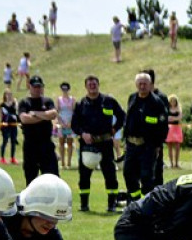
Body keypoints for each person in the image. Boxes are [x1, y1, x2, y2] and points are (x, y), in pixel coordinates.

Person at [72, 74, 126, 212]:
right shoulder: (81, 104)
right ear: (85, 86)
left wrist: (116, 128)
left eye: (94, 84)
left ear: (98, 85)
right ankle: (84, 205)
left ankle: (112, 205)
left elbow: (122, 116)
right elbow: (74, 124)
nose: (92, 86)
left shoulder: (108, 101)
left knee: (110, 175)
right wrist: (82, 133)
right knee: (84, 175)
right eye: (89, 84)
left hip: (106, 143)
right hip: (87, 145)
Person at [123, 72, 168, 202]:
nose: (142, 86)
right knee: (128, 173)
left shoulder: (157, 103)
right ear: (136, 84)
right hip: (131, 144)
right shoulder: (132, 98)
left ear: (150, 85)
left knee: (146, 176)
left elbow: (163, 126)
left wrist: (158, 145)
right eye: (140, 83)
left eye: (145, 84)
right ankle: (135, 201)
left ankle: (147, 204)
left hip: (148, 146)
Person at [18, 75, 59, 185]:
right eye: (35, 87)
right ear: (30, 87)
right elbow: (24, 119)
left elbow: (53, 114)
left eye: (39, 87)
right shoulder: (24, 102)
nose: (38, 89)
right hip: (31, 145)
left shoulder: (47, 101)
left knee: (52, 177)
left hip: (46, 144)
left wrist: (35, 114)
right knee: (31, 178)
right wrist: (44, 117)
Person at [56, 82, 76, 169]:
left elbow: (74, 112)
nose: (65, 91)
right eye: (63, 89)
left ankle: (69, 162)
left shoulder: (72, 99)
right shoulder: (59, 99)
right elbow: (57, 111)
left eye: (66, 89)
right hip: (62, 123)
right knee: (61, 142)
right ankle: (63, 163)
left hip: (70, 124)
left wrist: (70, 122)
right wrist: (61, 122)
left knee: (70, 143)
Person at [0, 89, 20, 165]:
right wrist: (1, 124)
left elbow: (17, 112)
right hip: (6, 125)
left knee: (13, 141)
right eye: (7, 94)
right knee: (5, 141)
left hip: (13, 125)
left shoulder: (14, 103)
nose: (9, 96)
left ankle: (12, 158)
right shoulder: (2, 105)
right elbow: (1, 116)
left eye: (10, 94)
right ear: (5, 95)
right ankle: (2, 158)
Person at [165, 94, 183, 168]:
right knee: (169, 146)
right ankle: (171, 163)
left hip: (177, 128)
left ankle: (176, 163)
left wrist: (172, 118)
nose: (173, 102)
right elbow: (166, 117)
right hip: (169, 129)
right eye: (171, 101)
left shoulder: (178, 109)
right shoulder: (167, 109)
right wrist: (172, 118)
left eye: (174, 101)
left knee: (177, 146)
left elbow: (179, 117)